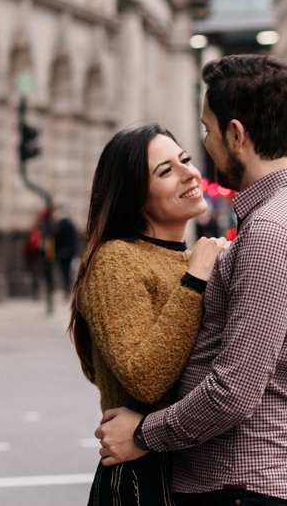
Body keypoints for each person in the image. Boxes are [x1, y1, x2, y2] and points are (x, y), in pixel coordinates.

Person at [97, 54, 287, 506]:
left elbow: (234, 392)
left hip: (236, 481)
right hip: (272, 479)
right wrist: (275, 391)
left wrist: (143, 434)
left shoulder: (271, 232)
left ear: (236, 135)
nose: (205, 148)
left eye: (207, 130)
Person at [69, 123, 230, 506]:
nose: (190, 173)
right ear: (136, 196)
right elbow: (145, 378)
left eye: (185, 160)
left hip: (190, 463)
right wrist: (195, 279)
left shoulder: (189, 258)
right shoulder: (115, 260)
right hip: (143, 477)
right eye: (166, 171)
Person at [54, 206, 78, 293]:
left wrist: (57, 250)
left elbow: (58, 239)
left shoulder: (60, 224)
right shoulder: (70, 224)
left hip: (62, 252)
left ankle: (66, 289)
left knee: (64, 272)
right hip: (70, 251)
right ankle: (68, 288)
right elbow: (74, 239)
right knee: (68, 271)